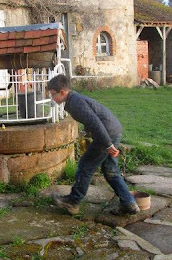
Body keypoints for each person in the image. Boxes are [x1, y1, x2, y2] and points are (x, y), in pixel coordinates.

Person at [47, 74, 139, 216]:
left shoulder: (75, 103)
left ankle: (73, 201)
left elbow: (95, 122)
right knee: (111, 170)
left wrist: (108, 144)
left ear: (63, 92)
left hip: (106, 135)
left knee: (85, 167)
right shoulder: (75, 99)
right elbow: (91, 119)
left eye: (53, 94)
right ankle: (129, 203)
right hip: (113, 130)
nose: (52, 98)